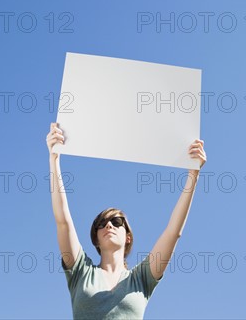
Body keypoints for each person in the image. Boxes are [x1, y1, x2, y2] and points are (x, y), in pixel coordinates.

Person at [46, 122, 207, 319]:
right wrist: (54, 159)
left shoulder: (142, 278)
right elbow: (63, 221)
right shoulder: (80, 271)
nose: (109, 225)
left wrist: (193, 175)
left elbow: (173, 232)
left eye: (117, 221)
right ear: (95, 238)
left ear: (128, 236)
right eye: (101, 223)